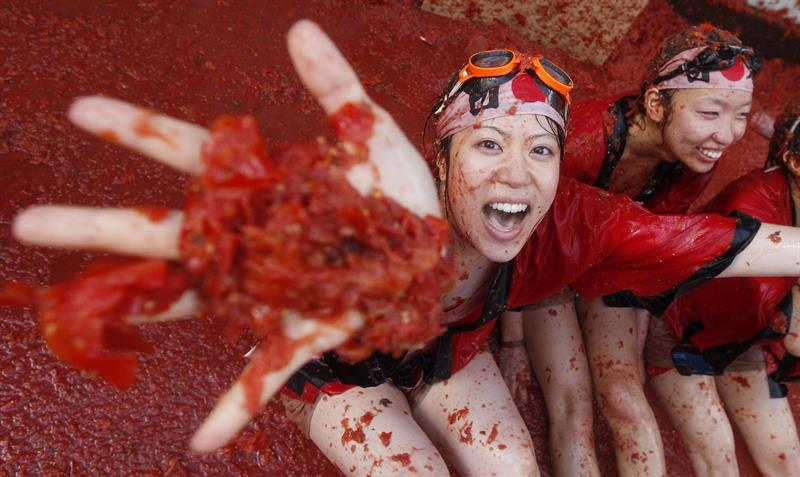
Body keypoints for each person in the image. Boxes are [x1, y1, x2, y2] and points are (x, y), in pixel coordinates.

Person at [10, 20, 800, 477]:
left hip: (451, 350)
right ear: (442, 158)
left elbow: (728, 245)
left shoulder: (576, 220)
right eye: (488, 143)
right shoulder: (380, 217)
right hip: (339, 367)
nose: (518, 177)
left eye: (542, 151)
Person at [500, 24, 761, 477]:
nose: (727, 134)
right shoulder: (581, 140)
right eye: (712, 112)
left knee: (626, 398)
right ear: (658, 104)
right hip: (540, 268)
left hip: (605, 265)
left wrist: (637, 314)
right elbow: (514, 238)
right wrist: (513, 341)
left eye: (741, 115)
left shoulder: (693, 158)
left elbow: (647, 244)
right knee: (574, 406)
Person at [647, 97, 800, 477]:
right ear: (796, 163)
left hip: (744, 338)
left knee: (789, 464)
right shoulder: (753, 208)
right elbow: (794, 337)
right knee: (719, 461)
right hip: (681, 331)